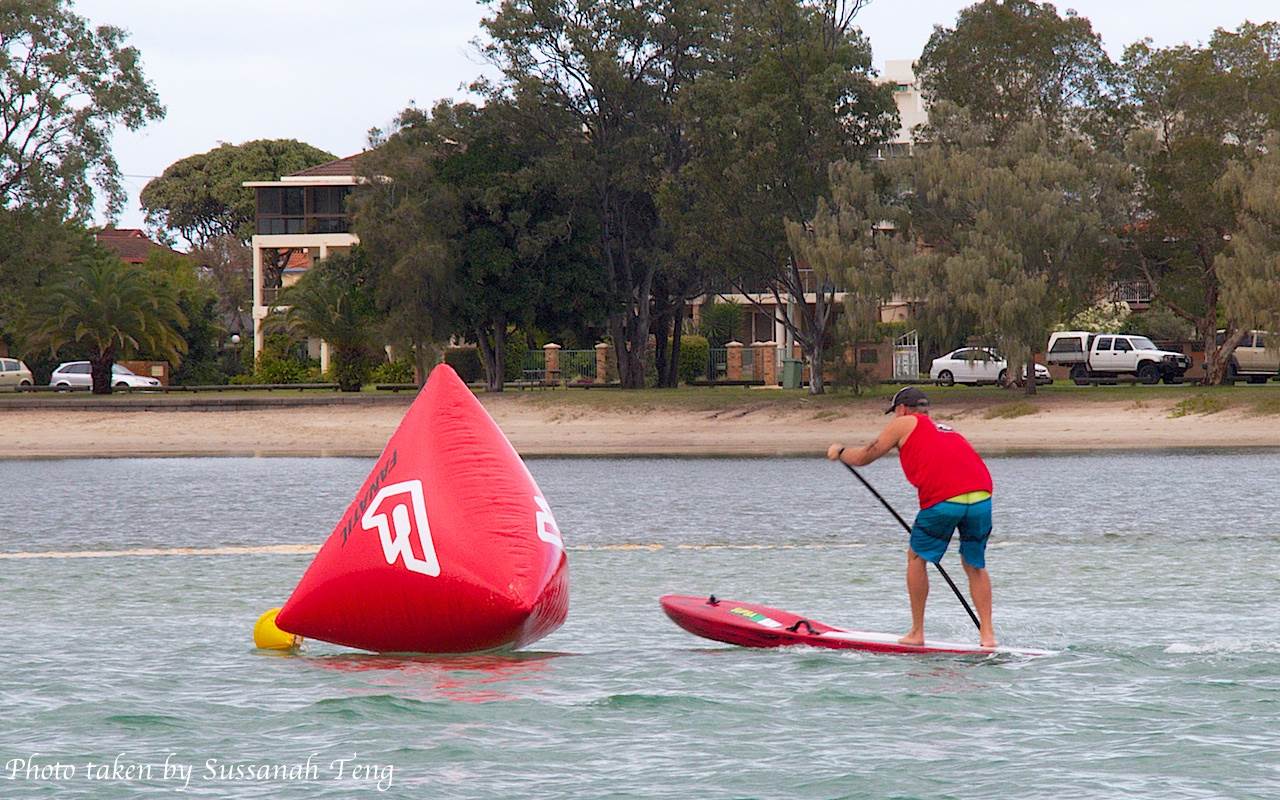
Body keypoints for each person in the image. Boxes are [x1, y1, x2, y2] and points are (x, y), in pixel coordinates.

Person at [826, 386, 996, 647]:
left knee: (916, 557)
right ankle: (988, 635)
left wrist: (840, 452)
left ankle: (917, 632)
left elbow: (866, 455)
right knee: (974, 565)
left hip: (945, 499)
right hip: (981, 497)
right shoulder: (946, 429)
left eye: (895, 412)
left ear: (903, 409)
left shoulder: (905, 422)